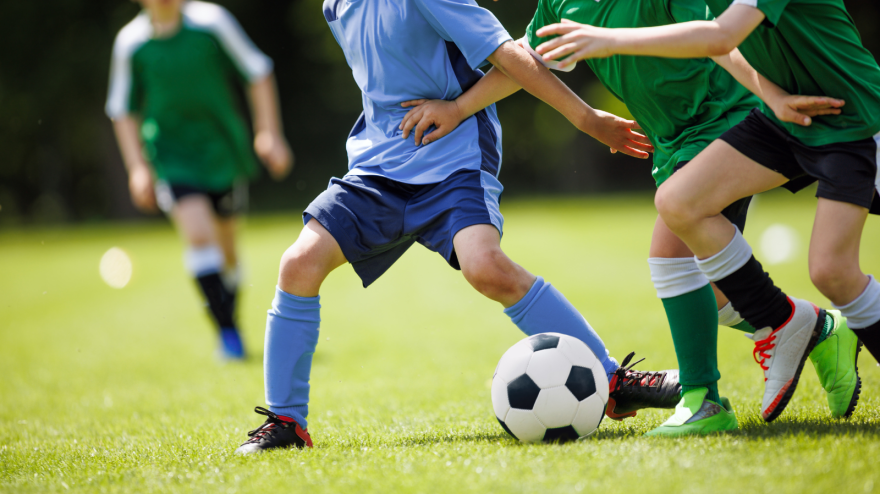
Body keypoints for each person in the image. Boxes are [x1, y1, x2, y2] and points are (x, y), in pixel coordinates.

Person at [234, 0, 680, 454]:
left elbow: (512, 55)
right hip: (376, 171)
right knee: (298, 264)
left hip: (455, 162)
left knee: (487, 268)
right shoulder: (335, 7)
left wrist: (585, 118)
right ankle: (287, 422)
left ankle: (611, 379)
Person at [397, 0, 860, 435]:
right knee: (714, 297)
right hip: (672, 141)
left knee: (670, 256)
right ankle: (811, 326)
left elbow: (719, 40)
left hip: (726, 120)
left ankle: (704, 401)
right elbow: (528, 59)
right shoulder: (560, 2)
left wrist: (768, 93)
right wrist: (459, 108)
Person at [533, 0, 880, 422]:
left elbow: (718, 36)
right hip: (784, 119)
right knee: (685, 218)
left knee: (831, 272)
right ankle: (790, 323)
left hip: (850, 121)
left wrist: (607, 40)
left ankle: (726, 378)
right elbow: (720, 38)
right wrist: (771, 94)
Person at [106, 0, 292, 359]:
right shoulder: (130, 43)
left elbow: (258, 72)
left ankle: (229, 318)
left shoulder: (212, 23)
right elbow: (122, 110)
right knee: (198, 234)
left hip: (221, 150)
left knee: (227, 249)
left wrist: (269, 131)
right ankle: (227, 334)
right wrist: (137, 167)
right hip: (171, 156)